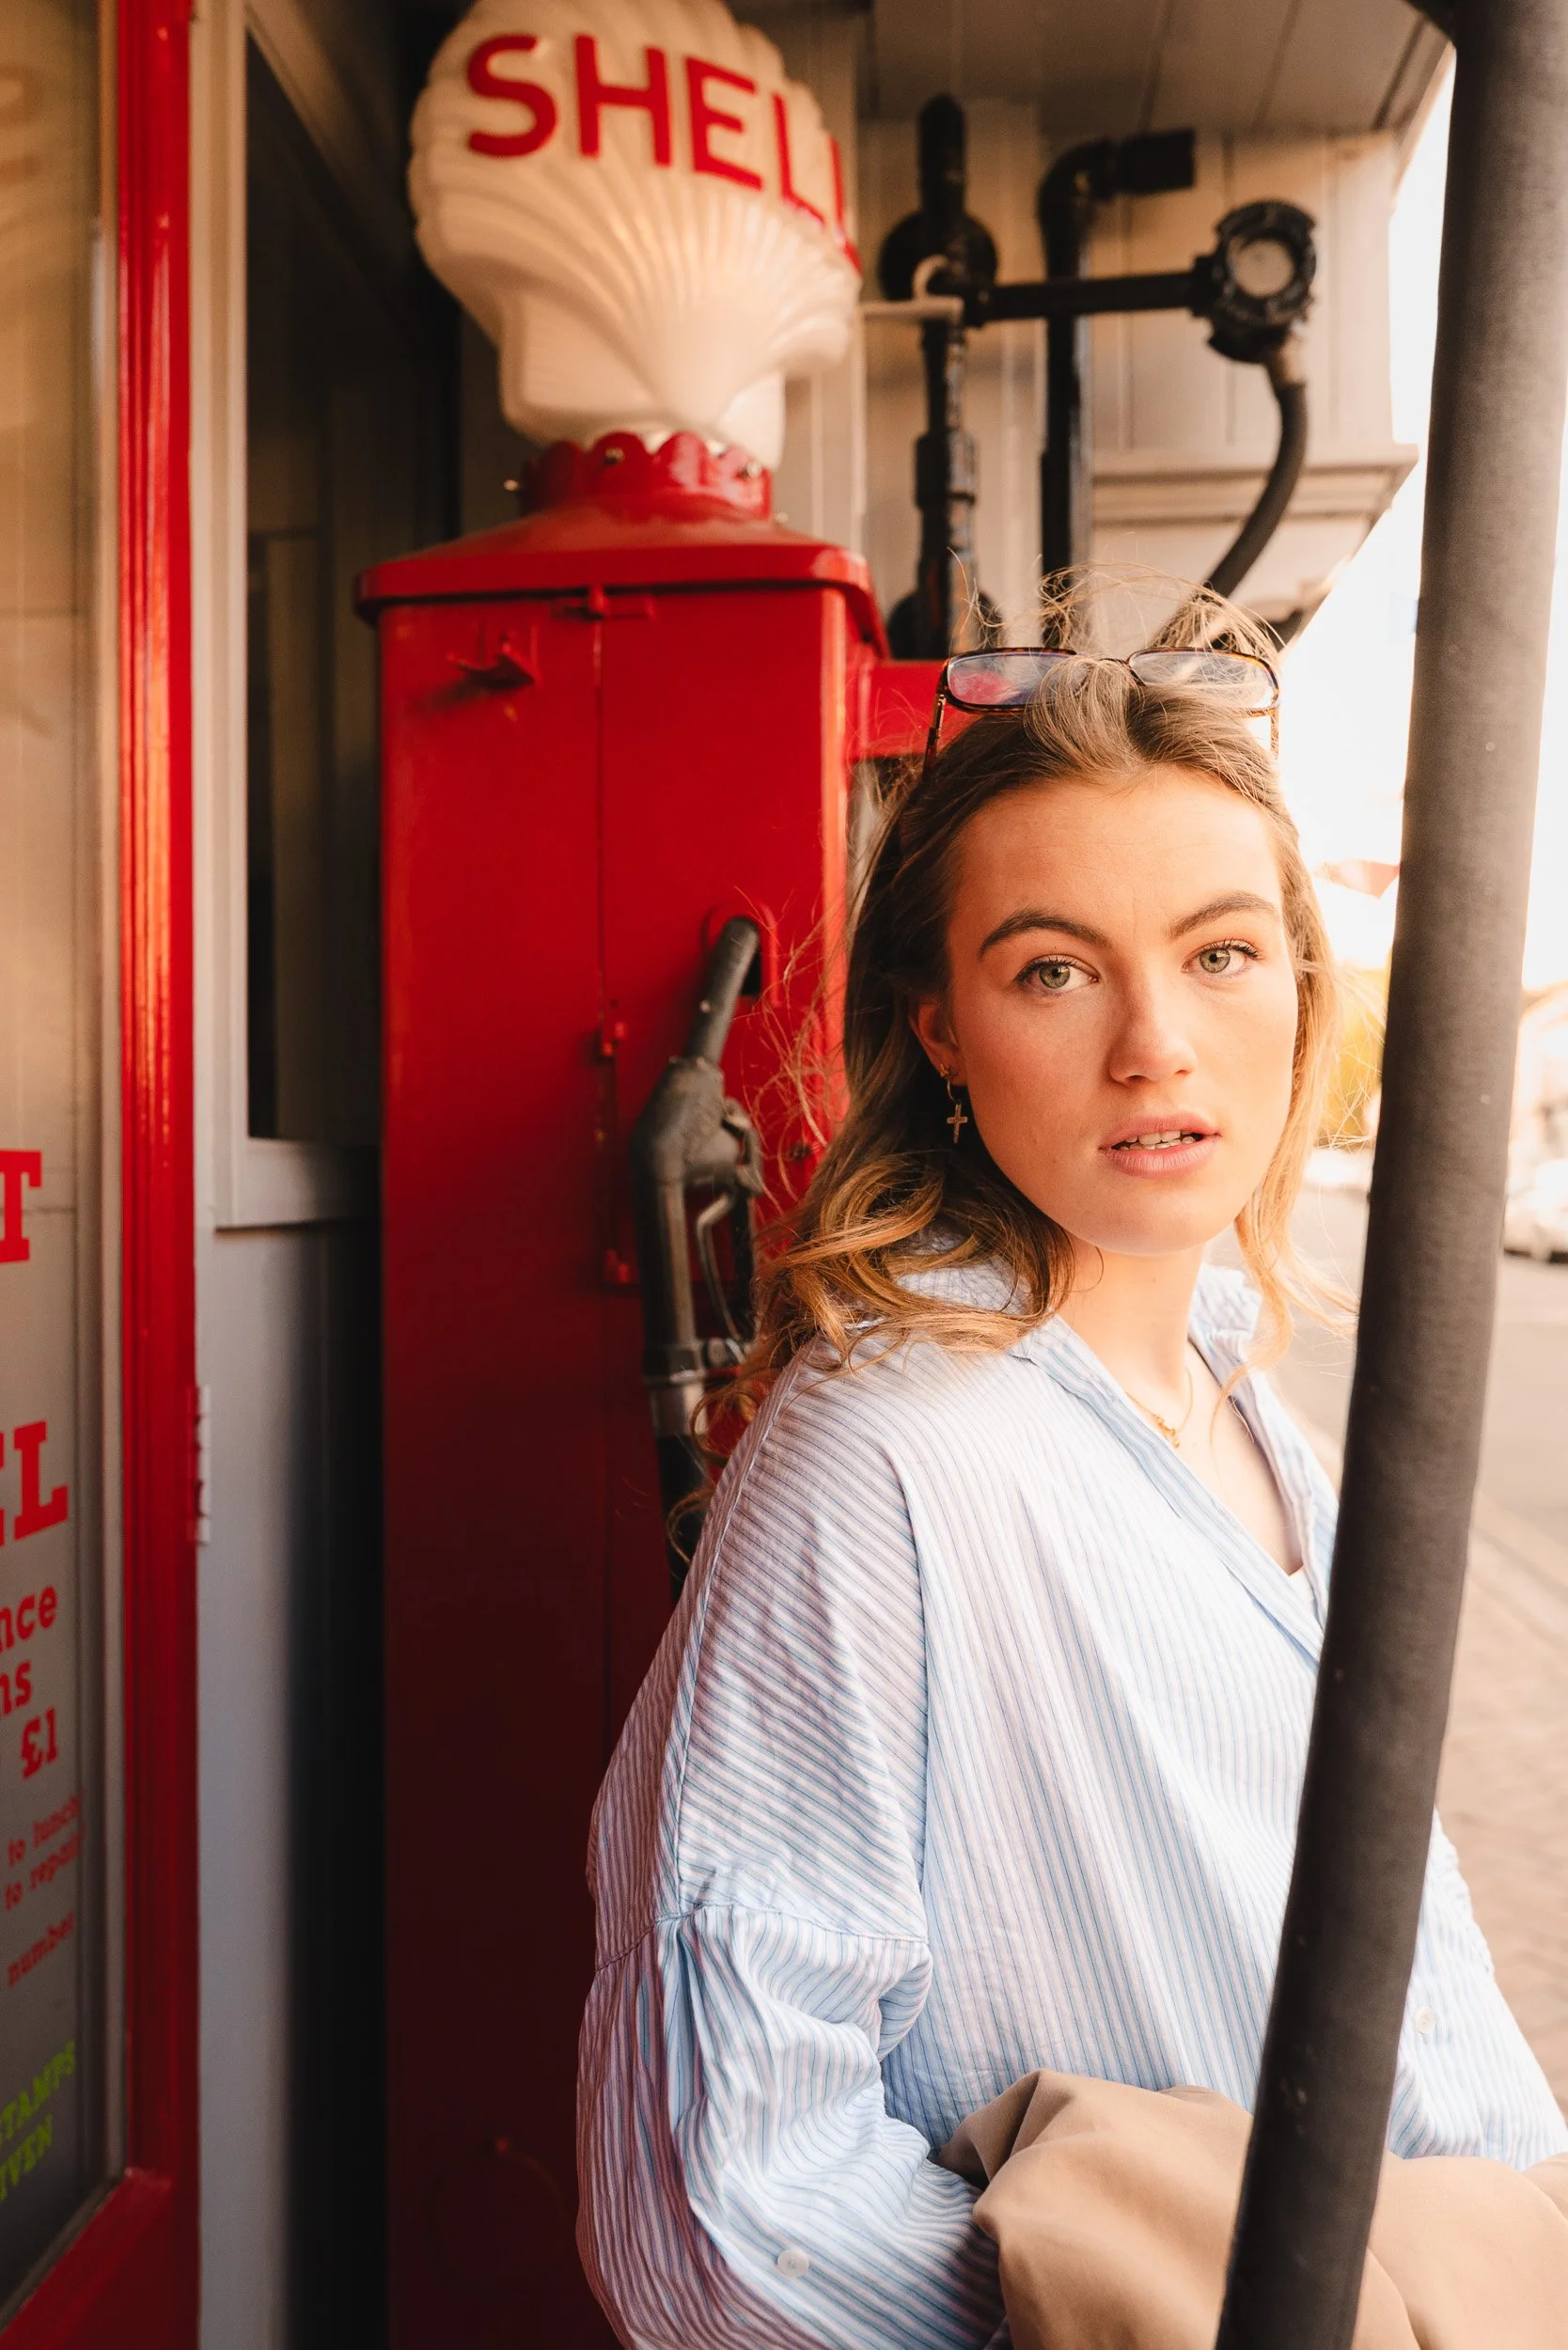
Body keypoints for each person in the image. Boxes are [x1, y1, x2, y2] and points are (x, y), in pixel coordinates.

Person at [576, 584, 1567, 2350]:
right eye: (1053, 967)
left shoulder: (1241, 1398)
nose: (1154, 1046)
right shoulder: (887, 1456)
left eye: (1219, 953)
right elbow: (721, 2202)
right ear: (941, 1029)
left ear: (1302, 990)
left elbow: (1406, 1949)